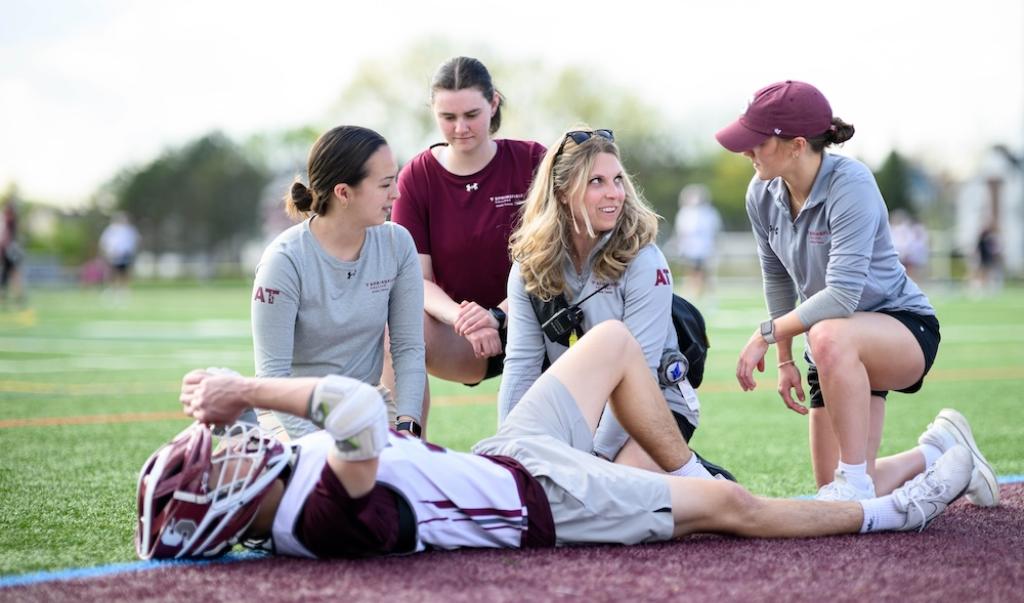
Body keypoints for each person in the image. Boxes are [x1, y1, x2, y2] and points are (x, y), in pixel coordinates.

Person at [140, 320, 985, 561]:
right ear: (222, 512)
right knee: (731, 507)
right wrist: (246, 388)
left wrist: (245, 410)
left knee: (613, 340)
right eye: (215, 468)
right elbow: (358, 413)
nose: (233, 449)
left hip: (508, 453)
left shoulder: (282, 488)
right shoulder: (315, 518)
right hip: (541, 501)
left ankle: (686, 464)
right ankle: (893, 511)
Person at [715, 80, 998, 505]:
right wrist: (786, 357)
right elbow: (776, 277)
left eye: (756, 142)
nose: (745, 150)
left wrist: (765, 334)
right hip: (833, 346)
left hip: (900, 328)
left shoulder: (852, 183)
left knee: (829, 333)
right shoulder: (761, 192)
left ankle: (857, 478)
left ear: (795, 146)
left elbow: (843, 296)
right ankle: (938, 450)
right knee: (834, 488)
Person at [500, 127, 721, 475]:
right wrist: (508, 452)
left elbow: (641, 378)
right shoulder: (530, 265)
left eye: (617, 180)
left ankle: (701, 478)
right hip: (579, 408)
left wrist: (596, 461)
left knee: (616, 502)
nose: (614, 193)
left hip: (654, 406)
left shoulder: (644, 260)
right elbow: (521, 366)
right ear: (561, 191)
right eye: (596, 182)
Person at [388, 56, 546, 437]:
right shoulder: (417, 176)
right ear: (433, 112)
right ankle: (406, 459)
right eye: (448, 117)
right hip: (464, 337)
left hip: (538, 324)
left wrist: (499, 315)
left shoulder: (533, 160)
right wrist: (467, 319)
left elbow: (552, 261)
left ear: (493, 103)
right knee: (391, 326)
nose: (460, 128)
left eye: (472, 114)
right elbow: (416, 280)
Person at [250, 125, 425, 440]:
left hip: (365, 406)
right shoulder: (284, 260)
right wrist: (319, 450)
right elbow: (272, 378)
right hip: (291, 411)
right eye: (385, 184)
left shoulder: (398, 243)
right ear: (343, 193)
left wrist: (407, 428)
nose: (396, 193)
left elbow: (408, 348)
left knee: (398, 484)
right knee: (317, 483)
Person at [671, 184, 722, 299]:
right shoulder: (685, 213)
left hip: (705, 249)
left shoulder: (709, 213)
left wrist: (715, 247)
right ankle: (692, 294)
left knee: (705, 274)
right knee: (691, 273)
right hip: (690, 249)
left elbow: (714, 232)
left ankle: (707, 295)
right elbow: (681, 233)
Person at [99, 212, 141, 295]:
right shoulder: (110, 230)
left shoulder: (129, 230)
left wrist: (129, 251)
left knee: (124, 273)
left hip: (125, 255)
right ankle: (112, 289)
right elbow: (104, 242)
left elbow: (134, 241)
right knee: (112, 272)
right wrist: (108, 252)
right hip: (112, 255)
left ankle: (124, 290)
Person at [0, 197, 26, 308]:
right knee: (10, 274)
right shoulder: (8, 220)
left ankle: (16, 297)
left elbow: (6, 238)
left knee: (11, 274)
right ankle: (15, 297)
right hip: (10, 250)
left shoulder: (10, 221)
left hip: (10, 251)